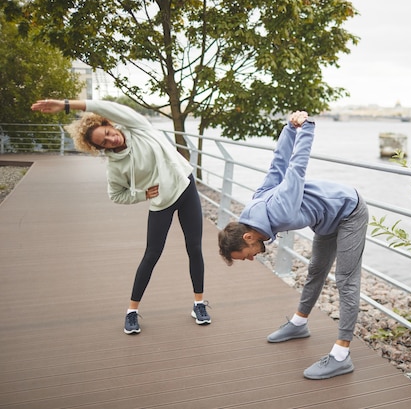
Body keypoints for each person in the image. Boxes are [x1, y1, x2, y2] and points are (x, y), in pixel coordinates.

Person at [31, 98, 211, 334]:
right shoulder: (115, 167)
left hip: (186, 188)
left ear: (110, 124)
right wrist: (141, 194)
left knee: (194, 248)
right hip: (161, 202)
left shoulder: (137, 127)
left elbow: (104, 106)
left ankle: (199, 303)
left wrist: (66, 105)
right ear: (101, 148)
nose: (111, 139)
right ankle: (132, 311)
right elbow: (116, 195)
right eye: (104, 142)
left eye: (108, 132)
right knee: (151, 255)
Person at [217, 111, 368, 380]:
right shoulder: (254, 207)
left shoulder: (280, 212)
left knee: (345, 280)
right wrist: (288, 128)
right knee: (315, 270)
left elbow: (296, 167)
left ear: (248, 238)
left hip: (349, 211)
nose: (251, 259)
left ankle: (341, 355)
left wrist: (306, 127)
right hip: (327, 220)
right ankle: (299, 323)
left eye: (245, 256)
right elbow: (278, 165)